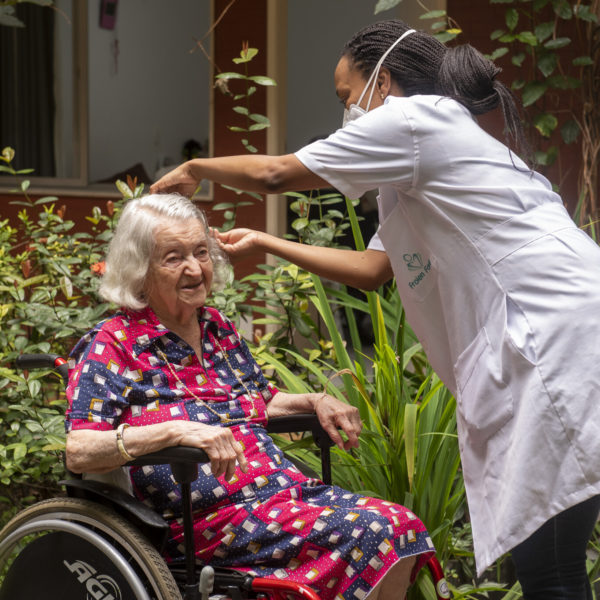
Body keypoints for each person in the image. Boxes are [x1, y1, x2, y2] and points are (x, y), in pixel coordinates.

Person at [150, 19, 600, 599]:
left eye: (346, 97)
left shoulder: (413, 122)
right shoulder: (417, 167)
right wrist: (265, 243)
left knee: (549, 564)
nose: (346, 112)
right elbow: (373, 270)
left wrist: (195, 169)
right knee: (552, 559)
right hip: (565, 325)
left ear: (381, 83)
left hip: (552, 332)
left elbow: (274, 172)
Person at [64, 193, 434, 600]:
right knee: (379, 531)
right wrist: (175, 432)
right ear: (139, 269)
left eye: (201, 252)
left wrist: (313, 400)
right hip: (207, 520)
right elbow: (80, 450)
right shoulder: (113, 343)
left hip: (280, 494)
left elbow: (256, 400)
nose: (194, 268)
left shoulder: (217, 328)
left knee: (403, 526)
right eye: (173, 258)